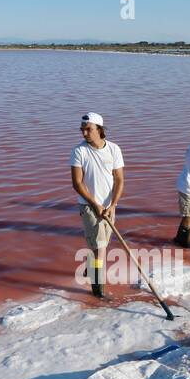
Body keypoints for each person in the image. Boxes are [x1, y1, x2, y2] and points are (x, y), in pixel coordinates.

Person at [70, 111, 125, 297]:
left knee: (102, 244)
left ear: (100, 129)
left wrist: (113, 205)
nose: (84, 134)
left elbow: (119, 179)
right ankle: (98, 292)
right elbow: (77, 183)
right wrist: (94, 203)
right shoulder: (79, 151)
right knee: (100, 249)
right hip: (89, 205)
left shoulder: (114, 149)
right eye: (82, 130)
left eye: (88, 129)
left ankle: (89, 264)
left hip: (109, 206)